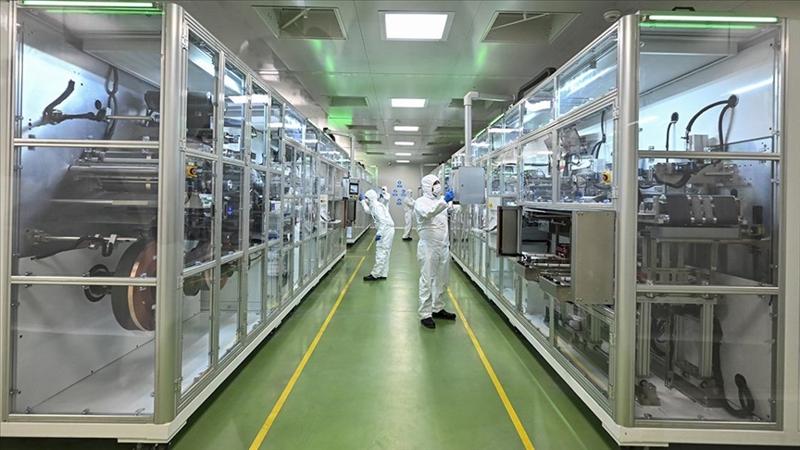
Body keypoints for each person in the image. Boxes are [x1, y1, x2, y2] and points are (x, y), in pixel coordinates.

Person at [414, 174, 458, 329]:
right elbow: (428, 213)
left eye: (439, 183)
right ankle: (425, 314)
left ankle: (437, 308)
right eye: (435, 183)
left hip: (443, 246)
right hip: (429, 247)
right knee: (427, 279)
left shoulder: (440, 201)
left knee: (442, 279)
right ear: (427, 186)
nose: (438, 186)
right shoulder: (421, 202)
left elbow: (449, 211)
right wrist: (444, 201)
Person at [360, 189, 395, 281]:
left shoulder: (376, 206)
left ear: (370, 198)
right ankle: (382, 273)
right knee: (385, 252)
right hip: (387, 229)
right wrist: (362, 201)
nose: (366, 200)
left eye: (366, 198)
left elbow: (383, 221)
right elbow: (368, 211)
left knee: (381, 251)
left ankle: (375, 274)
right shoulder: (374, 205)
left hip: (385, 230)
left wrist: (379, 234)